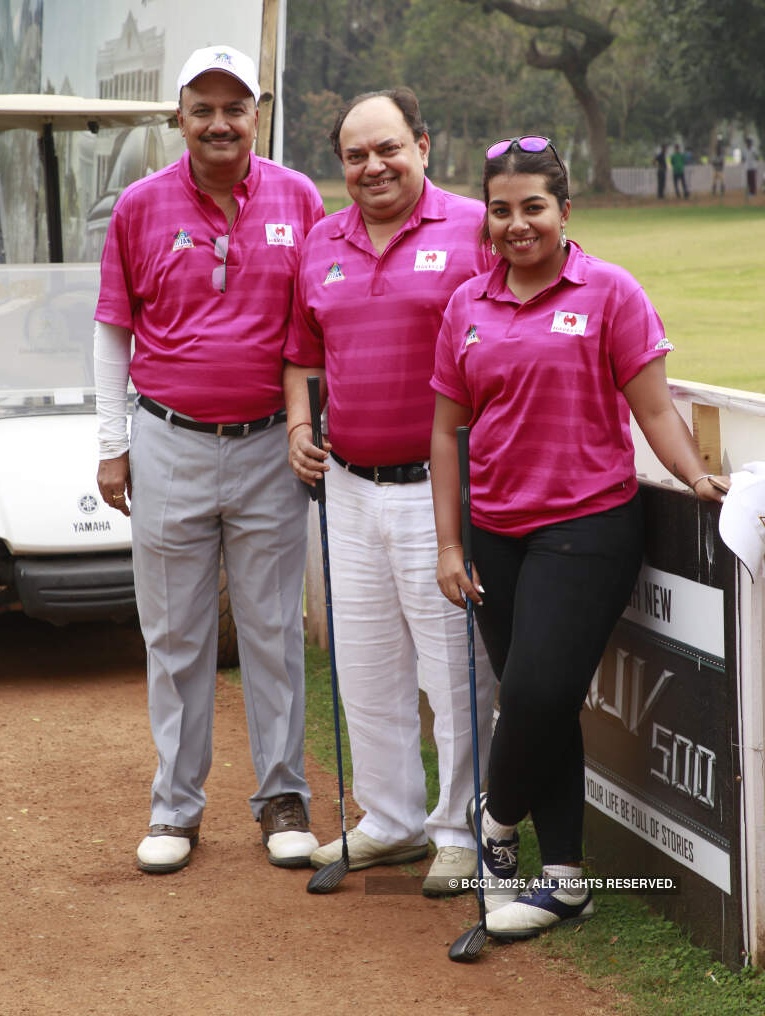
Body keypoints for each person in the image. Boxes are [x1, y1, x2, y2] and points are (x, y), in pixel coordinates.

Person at [430, 136, 727, 938]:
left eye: (534, 207)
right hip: (494, 532)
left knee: (533, 694)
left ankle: (494, 824)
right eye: (502, 210)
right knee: (544, 706)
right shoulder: (466, 304)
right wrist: (450, 546)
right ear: (486, 219)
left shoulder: (610, 291)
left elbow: (654, 408)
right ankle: (563, 878)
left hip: (587, 524)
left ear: (565, 210)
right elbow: (447, 432)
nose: (517, 224)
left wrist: (696, 475)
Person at [94, 45, 325, 874]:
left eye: (236, 108)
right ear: (179, 118)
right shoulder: (140, 205)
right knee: (176, 634)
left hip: (270, 445)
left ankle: (282, 795)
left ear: (256, 114)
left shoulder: (299, 196)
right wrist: (112, 444)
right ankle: (176, 808)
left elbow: (318, 322)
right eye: (203, 108)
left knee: (271, 631)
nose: (220, 123)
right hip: (167, 440)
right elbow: (113, 331)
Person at [282, 87, 496, 896]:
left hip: (438, 490)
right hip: (347, 485)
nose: (373, 167)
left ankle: (460, 828)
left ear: (424, 145)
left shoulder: (474, 227)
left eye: (388, 149)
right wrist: (299, 430)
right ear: (340, 165)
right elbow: (301, 354)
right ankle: (391, 819)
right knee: (366, 666)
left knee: (452, 671)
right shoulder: (320, 242)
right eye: (355, 155)